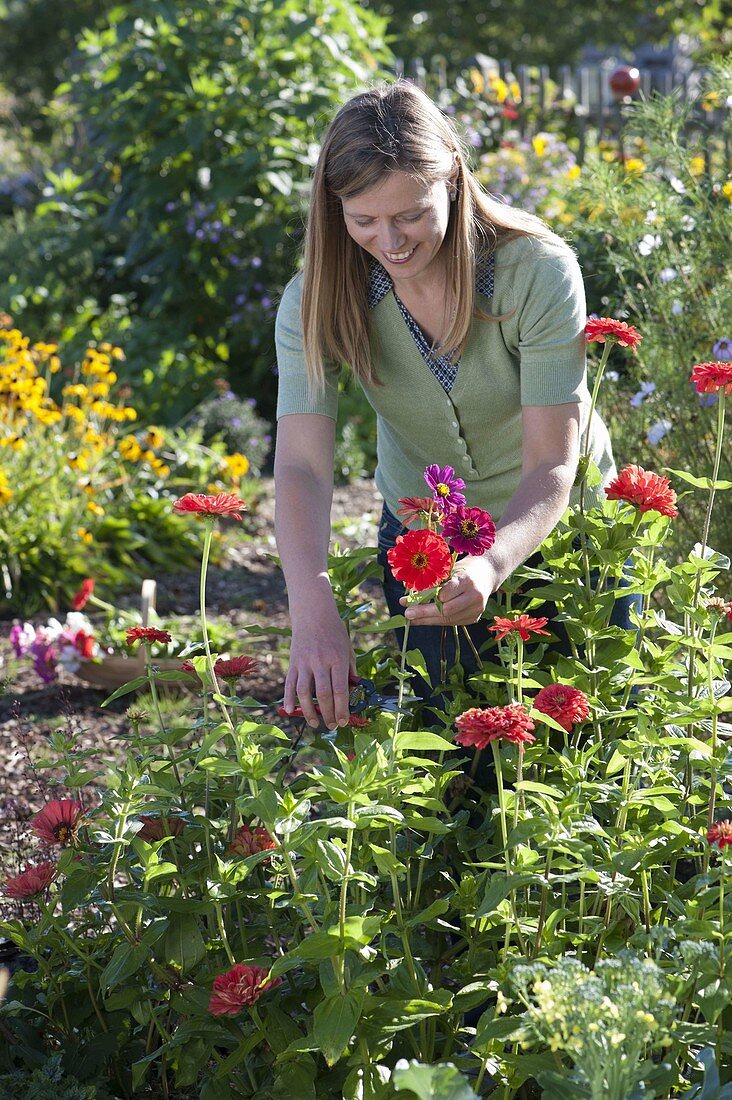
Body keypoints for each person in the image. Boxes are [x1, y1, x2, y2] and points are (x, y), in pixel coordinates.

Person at [273, 80, 617, 730]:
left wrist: (489, 563)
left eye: (409, 215)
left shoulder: (537, 270)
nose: (390, 240)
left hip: (566, 530)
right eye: (363, 219)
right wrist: (312, 606)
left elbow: (551, 463)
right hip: (426, 540)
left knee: (582, 760)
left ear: (453, 181)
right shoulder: (316, 298)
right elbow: (303, 468)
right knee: (450, 765)